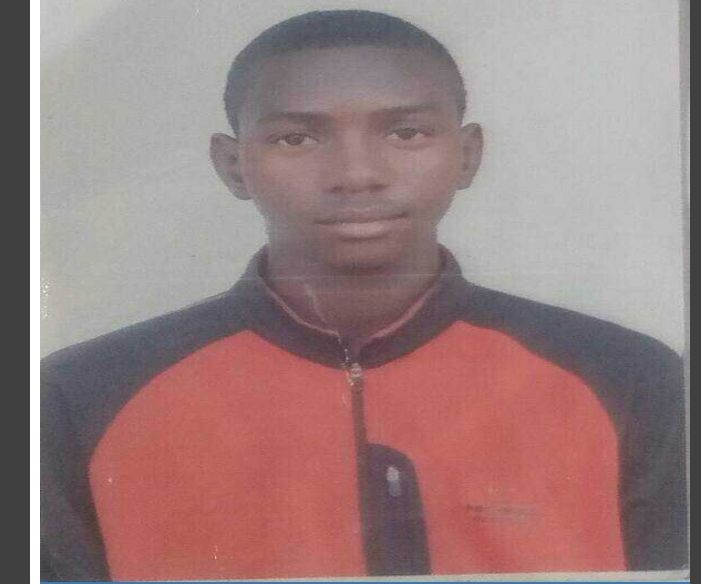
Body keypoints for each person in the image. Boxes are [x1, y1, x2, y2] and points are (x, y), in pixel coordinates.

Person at [41, 10, 687, 581]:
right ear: (233, 165)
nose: (356, 175)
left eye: (405, 133)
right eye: (297, 138)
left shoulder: (628, 379)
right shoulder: (82, 398)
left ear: (466, 155)